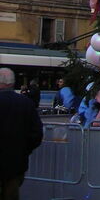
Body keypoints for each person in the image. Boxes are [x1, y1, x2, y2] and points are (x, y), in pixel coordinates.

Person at [0, 66, 43, 200]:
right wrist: (24, 150)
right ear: (12, 83)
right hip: (16, 164)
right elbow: (36, 134)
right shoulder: (26, 103)